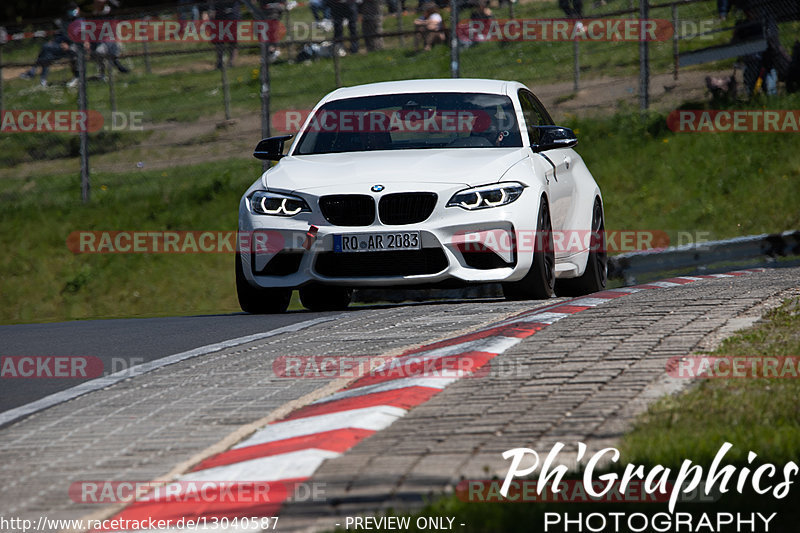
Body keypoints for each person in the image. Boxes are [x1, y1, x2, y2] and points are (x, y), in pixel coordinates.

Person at [19, 3, 80, 87]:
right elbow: (60, 35)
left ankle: (33, 73)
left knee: (46, 48)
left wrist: (68, 45)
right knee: (47, 54)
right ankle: (42, 80)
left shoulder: (79, 22)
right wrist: (54, 41)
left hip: (73, 47)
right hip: (62, 46)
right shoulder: (66, 22)